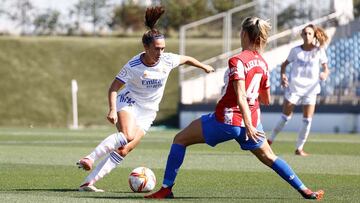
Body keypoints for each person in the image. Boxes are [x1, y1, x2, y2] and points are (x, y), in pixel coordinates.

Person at [145, 17, 324, 200]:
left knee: (180, 139)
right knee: (271, 158)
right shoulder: (263, 63)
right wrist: (250, 123)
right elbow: (266, 99)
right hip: (252, 123)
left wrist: (246, 120)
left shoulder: (237, 60)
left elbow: (240, 96)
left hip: (228, 120)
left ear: (244, 34)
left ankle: (166, 189)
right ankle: (305, 190)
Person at [76, 6, 214, 192]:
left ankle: (88, 182)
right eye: (157, 49)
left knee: (125, 149)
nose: (160, 52)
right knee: (128, 135)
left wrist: (203, 66)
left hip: (149, 111)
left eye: (163, 48)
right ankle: (91, 158)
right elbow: (114, 87)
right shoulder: (133, 65)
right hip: (129, 103)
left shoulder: (167, 60)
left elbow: (187, 59)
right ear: (146, 47)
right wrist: (111, 109)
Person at [267, 24, 330, 156]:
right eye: (305, 33)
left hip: (310, 90)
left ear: (314, 36)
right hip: (294, 88)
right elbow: (284, 65)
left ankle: (299, 148)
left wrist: (324, 73)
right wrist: (283, 76)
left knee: (307, 120)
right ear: (301, 35)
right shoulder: (295, 51)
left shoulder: (319, 51)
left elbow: (326, 68)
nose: (307, 36)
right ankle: (269, 141)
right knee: (285, 117)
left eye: (309, 34)